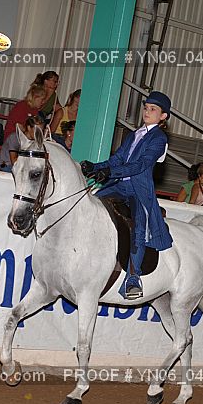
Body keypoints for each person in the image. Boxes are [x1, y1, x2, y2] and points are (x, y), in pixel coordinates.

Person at [80, 91, 174, 300]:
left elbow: (140, 165)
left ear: (163, 116)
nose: (147, 112)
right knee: (89, 203)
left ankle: (132, 278)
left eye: (153, 109)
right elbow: (117, 159)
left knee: (138, 228)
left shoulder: (159, 138)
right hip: (119, 185)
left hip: (138, 190)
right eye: (146, 108)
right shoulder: (133, 134)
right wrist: (96, 167)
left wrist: (111, 172)